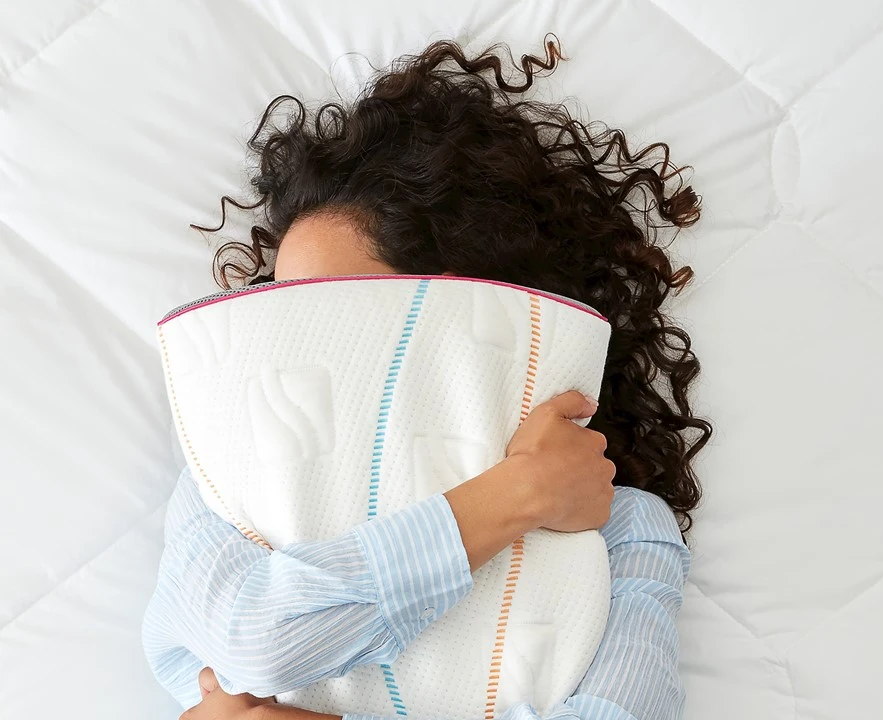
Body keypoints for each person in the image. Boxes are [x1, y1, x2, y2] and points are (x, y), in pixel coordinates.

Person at [141, 36, 712, 720]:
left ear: (453, 310)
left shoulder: (621, 528)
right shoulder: (224, 477)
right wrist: (518, 495)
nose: (295, 347)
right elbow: (258, 642)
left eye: (331, 312)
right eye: (282, 310)